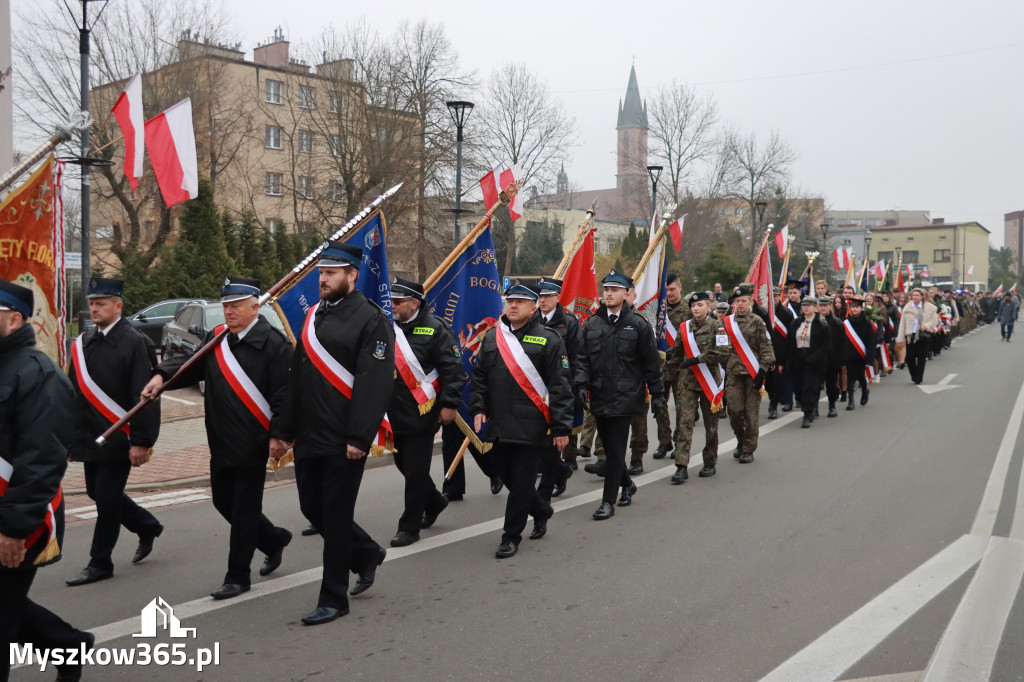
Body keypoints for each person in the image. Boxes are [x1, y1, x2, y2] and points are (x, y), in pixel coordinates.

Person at [142, 277, 293, 599]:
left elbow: (286, 393)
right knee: (223, 502)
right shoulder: (217, 338)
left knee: (243, 510)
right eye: (225, 306)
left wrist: (280, 434)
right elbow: (189, 364)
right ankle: (272, 539)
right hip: (220, 438)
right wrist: (161, 375)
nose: (229, 312)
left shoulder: (273, 343)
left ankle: (238, 576)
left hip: (253, 440)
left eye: (236, 306)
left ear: (255, 307)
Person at [277, 240, 392, 626]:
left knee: (337, 516)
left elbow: (373, 383)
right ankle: (366, 552)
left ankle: (333, 598)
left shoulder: (371, 319)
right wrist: (284, 430)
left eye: (330, 273)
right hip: (310, 434)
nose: (322, 279)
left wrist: (360, 438)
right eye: (321, 273)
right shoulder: (315, 317)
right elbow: (297, 377)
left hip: (345, 439)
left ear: (351, 275)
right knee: (313, 509)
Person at [0, 279, 95, 682]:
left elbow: (42, 460)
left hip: (16, 517)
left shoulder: (39, 374)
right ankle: (68, 645)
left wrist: (13, 528)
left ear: (14, 319)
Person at [66, 277, 163, 587]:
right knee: (96, 492)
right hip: (91, 436)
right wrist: (71, 439)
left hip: (120, 436)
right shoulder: (83, 344)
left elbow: (145, 396)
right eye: (92, 303)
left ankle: (100, 561)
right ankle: (147, 525)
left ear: (118, 306)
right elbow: (74, 394)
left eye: (101, 303)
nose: (94, 308)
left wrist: (142, 441)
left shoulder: (136, 342)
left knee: (106, 498)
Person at [470, 281, 572, 556]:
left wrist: (561, 427)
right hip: (500, 424)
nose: (512, 306)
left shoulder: (549, 339)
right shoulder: (493, 338)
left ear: (533, 306)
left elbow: (560, 387)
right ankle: (541, 509)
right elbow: (480, 379)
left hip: (532, 424)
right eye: (509, 301)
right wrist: (478, 409)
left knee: (522, 482)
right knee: (509, 477)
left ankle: (510, 536)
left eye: (519, 301)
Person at [385, 277, 465, 548]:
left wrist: (449, 404)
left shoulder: (436, 329)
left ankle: (409, 527)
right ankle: (434, 501)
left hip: (423, 411)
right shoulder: (387, 328)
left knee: (415, 469)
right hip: (392, 412)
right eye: (391, 301)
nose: (392, 306)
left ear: (414, 303)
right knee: (403, 466)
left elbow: (453, 370)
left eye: (397, 302)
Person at [578, 271, 663, 519]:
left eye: (614, 290)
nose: (608, 294)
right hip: (600, 396)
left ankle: (607, 502)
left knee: (614, 450)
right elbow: (582, 360)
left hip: (626, 397)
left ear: (626, 294)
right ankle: (627, 484)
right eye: (605, 289)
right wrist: (581, 385)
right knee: (613, 451)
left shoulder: (638, 324)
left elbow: (650, 362)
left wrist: (657, 394)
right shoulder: (592, 324)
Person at [667, 292, 729, 482]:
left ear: (708, 307)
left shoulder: (718, 327)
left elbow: (723, 351)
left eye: (700, 305)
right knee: (684, 423)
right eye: (693, 305)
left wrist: (698, 359)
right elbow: (676, 355)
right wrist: (664, 378)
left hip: (710, 381)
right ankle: (681, 465)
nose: (696, 308)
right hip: (687, 383)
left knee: (711, 426)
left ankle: (709, 461)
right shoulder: (684, 328)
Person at [536, 276, 585, 500]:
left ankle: (552, 478)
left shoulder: (569, 322)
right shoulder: (532, 320)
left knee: (554, 438)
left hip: (560, 388)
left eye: (547, 295)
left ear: (557, 297)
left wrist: (575, 388)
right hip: (535, 389)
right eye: (540, 296)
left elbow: (578, 358)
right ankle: (561, 470)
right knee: (540, 439)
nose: (543, 300)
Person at [723, 285, 775, 463]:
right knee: (734, 411)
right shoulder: (727, 323)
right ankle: (741, 439)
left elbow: (766, 349)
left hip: (753, 374)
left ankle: (748, 449)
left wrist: (763, 370)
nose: (740, 304)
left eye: (743, 301)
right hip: (733, 374)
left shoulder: (757, 322)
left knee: (751, 414)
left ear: (750, 301)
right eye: (737, 301)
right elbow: (720, 348)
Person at [653, 273, 690, 462]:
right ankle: (664, 441)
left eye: (672, 289)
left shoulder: (690, 310)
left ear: (680, 288)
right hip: (662, 366)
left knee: (681, 407)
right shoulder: (658, 310)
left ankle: (678, 444)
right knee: (659, 404)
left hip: (682, 366)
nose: (669, 293)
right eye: (666, 290)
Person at [788, 296, 830, 428]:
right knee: (797, 387)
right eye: (804, 305)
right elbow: (789, 342)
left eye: (809, 305)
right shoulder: (796, 323)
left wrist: (813, 358)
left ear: (815, 307)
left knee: (809, 387)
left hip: (813, 360)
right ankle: (806, 407)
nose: (806, 307)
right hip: (797, 358)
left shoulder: (821, 324)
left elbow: (826, 345)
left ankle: (807, 413)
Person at [896, 287, 938, 385]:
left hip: (923, 335)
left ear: (922, 297)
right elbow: (903, 323)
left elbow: (934, 321)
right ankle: (914, 375)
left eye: (917, 295)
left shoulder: (929, 307)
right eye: (913, 295)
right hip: (910, 336)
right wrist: (900, 338)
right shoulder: (907, 307)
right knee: (910, 358)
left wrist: (926, 326)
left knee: (921, 357)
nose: (915, 297)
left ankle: (918, 378)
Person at [840, 295, 876, 409]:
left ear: (861, 308)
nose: (854, 309)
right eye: (852, 307)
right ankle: (851, 401)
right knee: (850, 377)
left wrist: (870, 358)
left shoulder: (867, 323)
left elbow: (871, 342)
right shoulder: (846, 323)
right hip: (849, 355)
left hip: (861, 356)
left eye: (857, 307)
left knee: (860, 376)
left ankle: (865, 390)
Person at [817, 295, 844, 417]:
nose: (823, 308)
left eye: (825, 306)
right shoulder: (815, 321)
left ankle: (832, 406)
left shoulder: (836, 322)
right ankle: (814, 408)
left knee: (831, 384)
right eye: (821, 305)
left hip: (832, 359)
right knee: (816, 385)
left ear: (830, 306)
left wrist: (841, 359)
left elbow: (842, 342)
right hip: (817, 359)